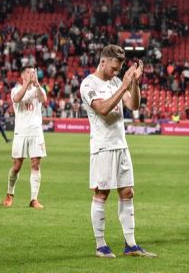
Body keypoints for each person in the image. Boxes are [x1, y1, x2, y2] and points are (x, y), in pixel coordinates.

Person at [80, 45, 156, 258]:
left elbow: (134, 105)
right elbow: (103, 109)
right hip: (103, 147)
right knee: (101, 193)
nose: (116, 72)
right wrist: (123, 85)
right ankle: (100, 245)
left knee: (127, 192)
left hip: (121, 145)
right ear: (103, 61)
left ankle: (130, 245)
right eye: (114, 68)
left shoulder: (115, 82)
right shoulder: (88, 83)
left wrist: (134, 84)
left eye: (119, 68)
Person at [3, 66, 47, 209]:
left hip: (36, 132)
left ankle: (34, 199)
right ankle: (10, 193)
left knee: (35, 164)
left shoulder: (38, 89)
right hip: (21, 132)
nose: (31, 74)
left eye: (33, 72)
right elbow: (16, 99)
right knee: (17, 166)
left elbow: (44, 99)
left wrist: (37, 84)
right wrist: (28, 84)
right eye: (28, 72)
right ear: (22, 75)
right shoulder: (15, 89)